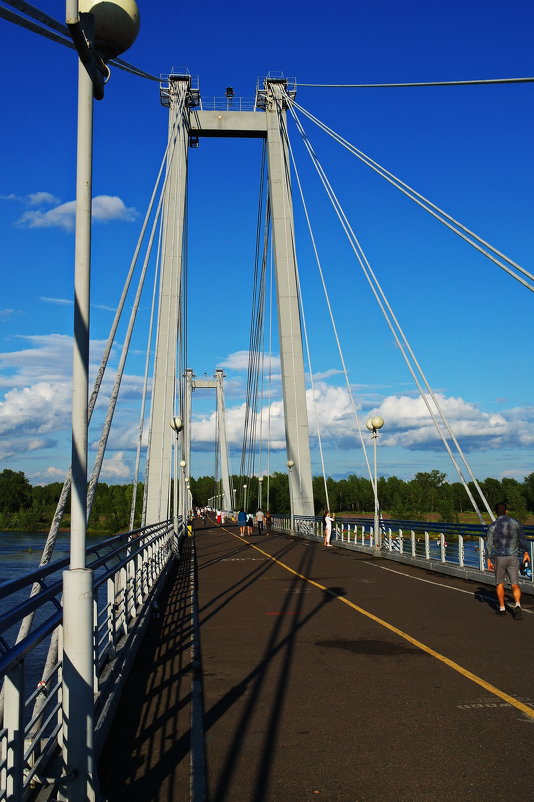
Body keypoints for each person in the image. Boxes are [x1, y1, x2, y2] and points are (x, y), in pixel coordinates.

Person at [486, 501, 529, 618]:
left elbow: (489, 544)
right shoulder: (515, 523)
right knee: (515, 583)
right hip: (513, 557)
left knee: (500, 583)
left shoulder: (493, 526)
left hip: (499, 558)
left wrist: (488, 559)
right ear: (506, 511)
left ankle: (502, 608)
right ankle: (518, 605)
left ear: (496, 512)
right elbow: (522, 539)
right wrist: (525, 552)